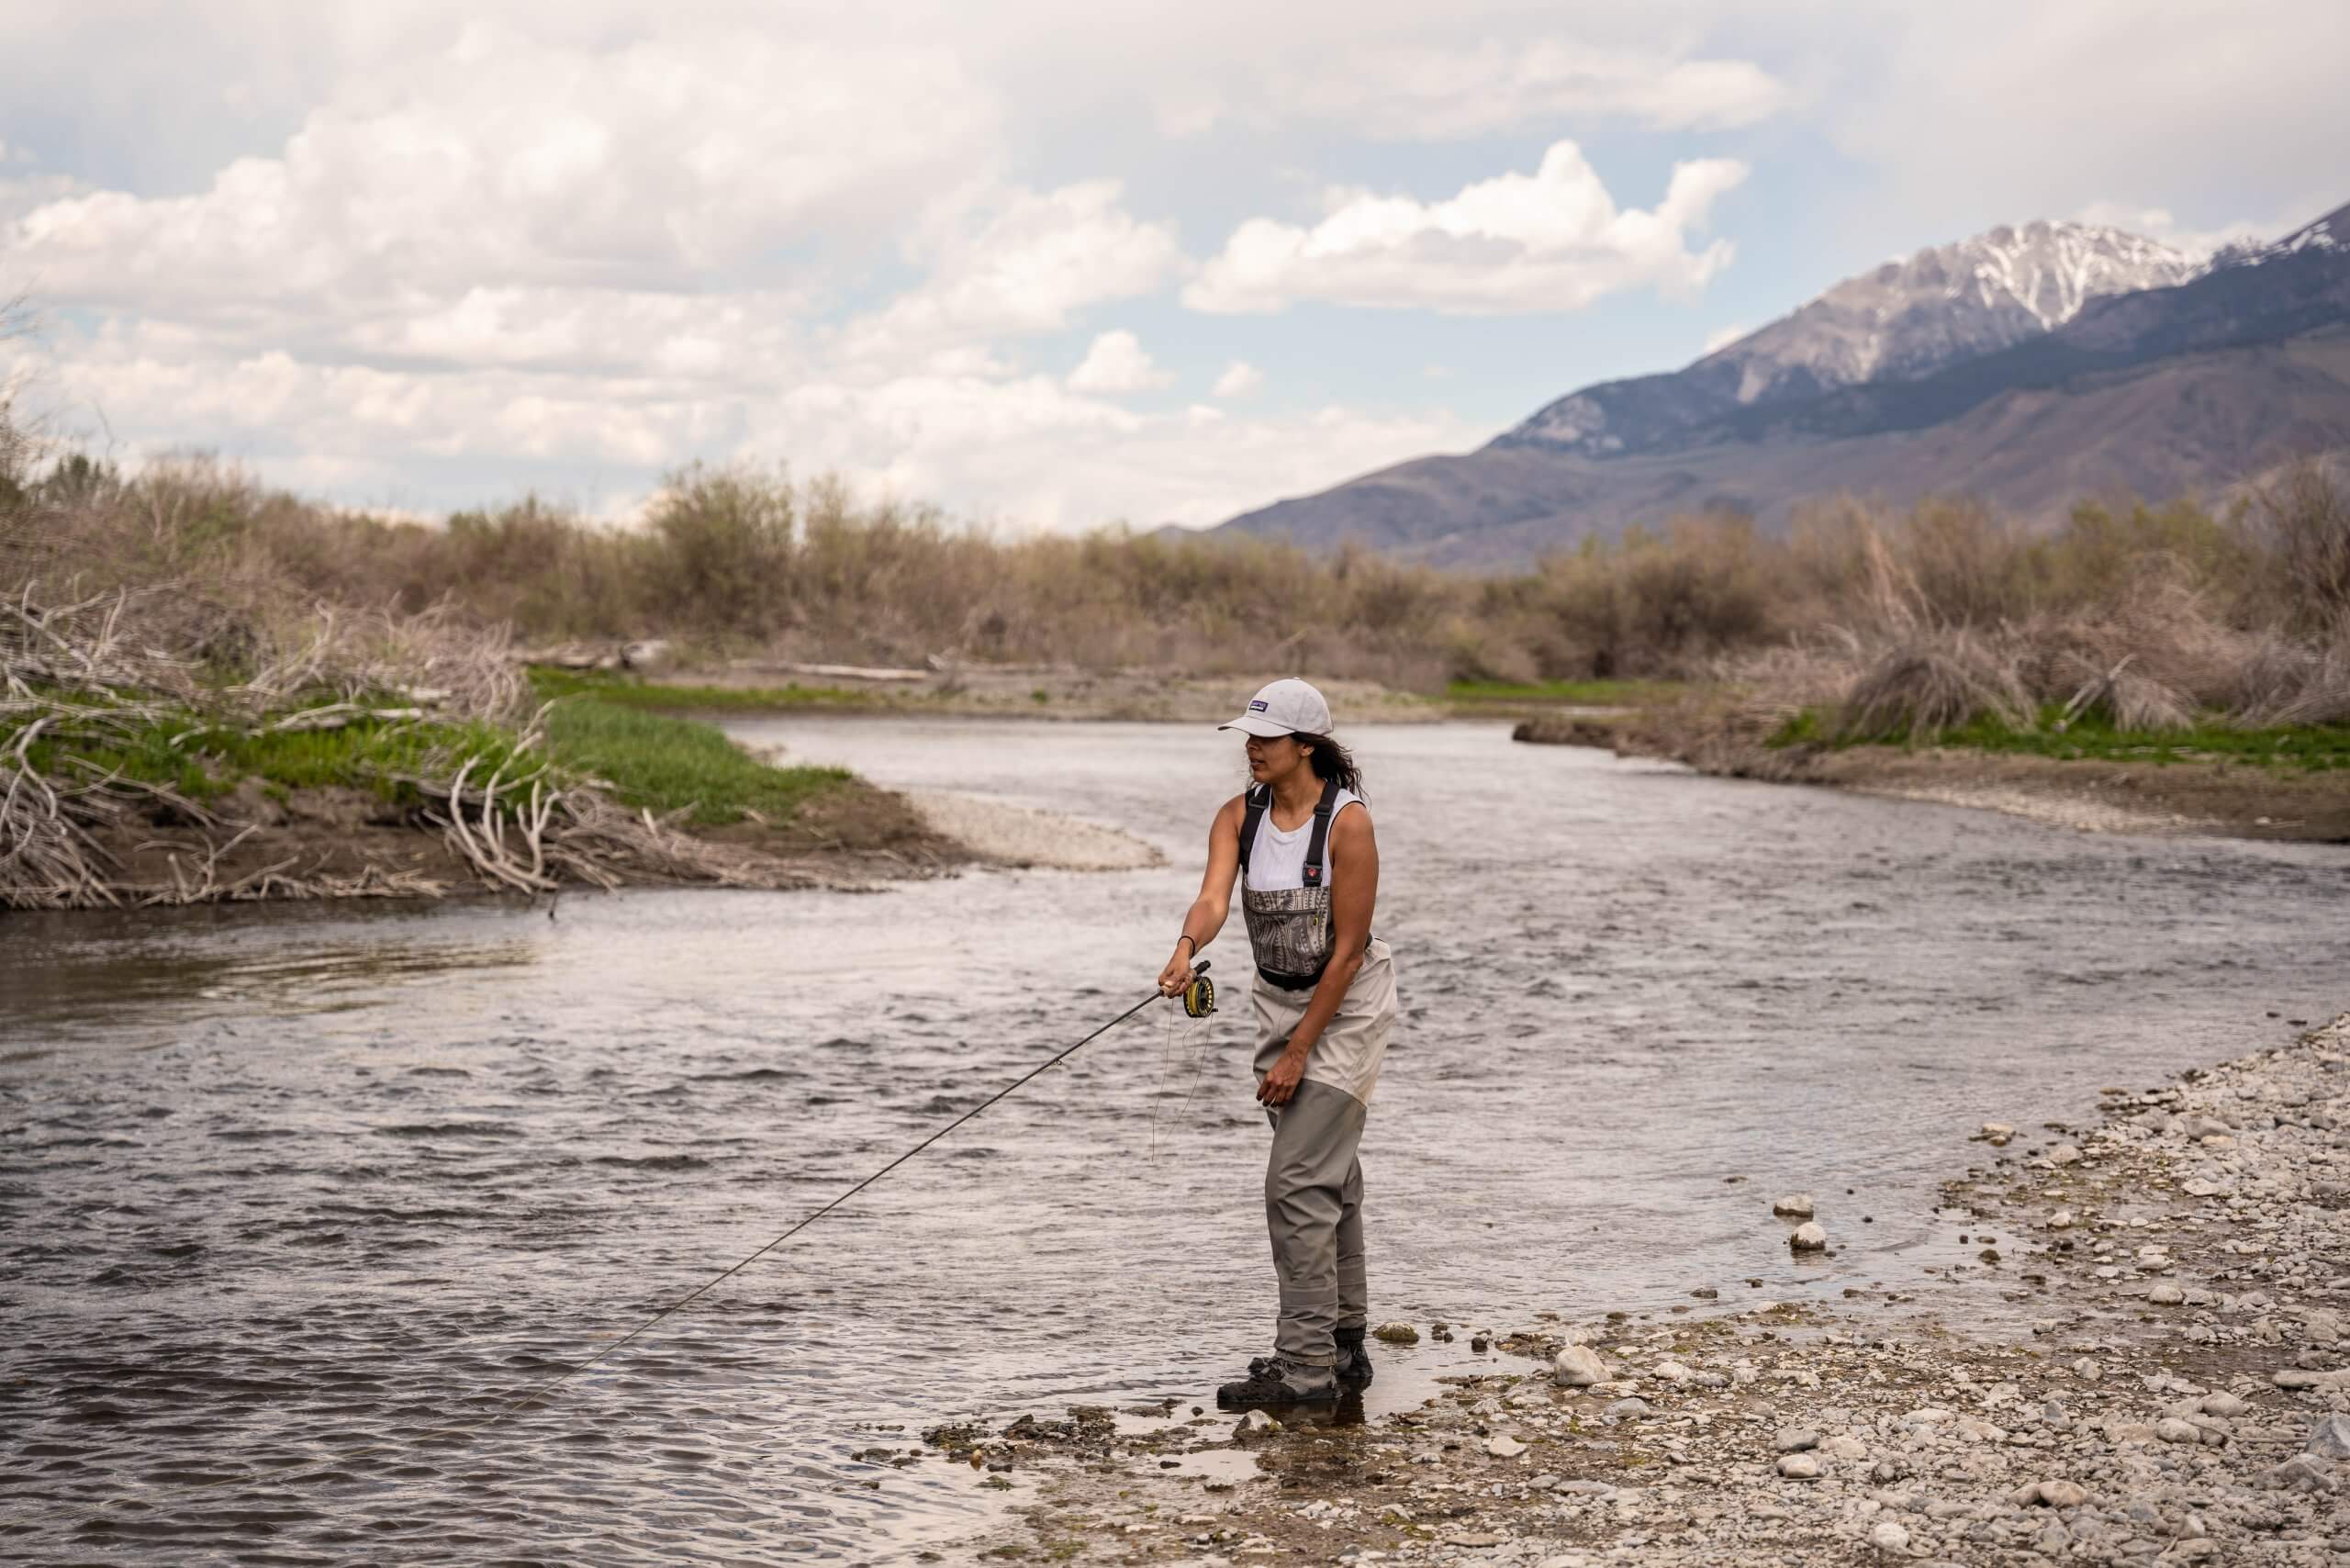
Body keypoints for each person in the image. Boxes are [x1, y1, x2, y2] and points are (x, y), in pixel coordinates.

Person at [1157, 678, 1399, 1409]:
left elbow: (1349, 952)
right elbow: (1212, 899)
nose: (1252, 750)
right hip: (1275, 1002)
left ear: (1307, 746)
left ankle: (1304, 1371)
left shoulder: (1347, 826)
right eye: (1248, 738)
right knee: (1329, 1176)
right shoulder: (1238, 816)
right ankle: (1346, 1342)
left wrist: (1300, 1053)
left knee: (1294, 1184)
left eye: (1265, 739)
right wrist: (1184, 945)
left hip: (1346, 1008)